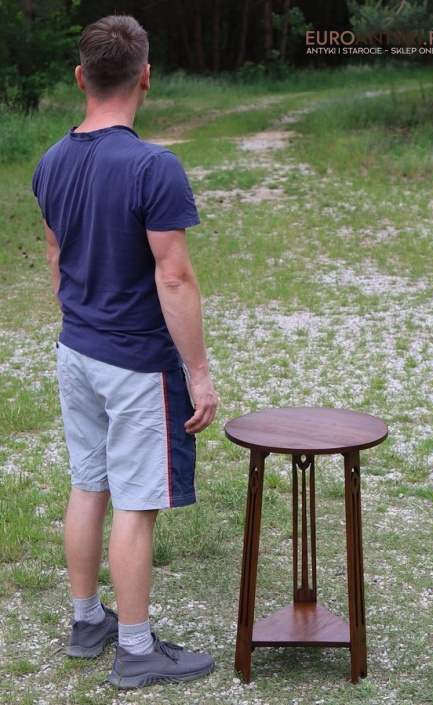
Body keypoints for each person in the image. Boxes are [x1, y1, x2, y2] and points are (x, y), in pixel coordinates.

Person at [32, 15, 218, 690]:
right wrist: (199, 374)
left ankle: (88, 621)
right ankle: (136, 650)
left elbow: (56, 258)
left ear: (81, 78)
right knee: (136, 500)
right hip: (135, 359)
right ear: (146, 77)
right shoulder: (152, 166)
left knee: (89, 483)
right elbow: (175, 277)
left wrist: (82, 321)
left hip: (76, 349)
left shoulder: (50, 161)